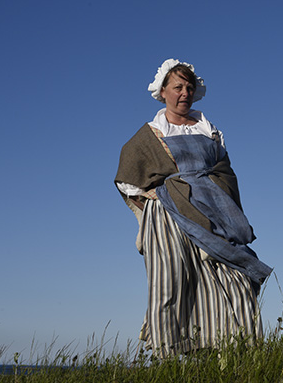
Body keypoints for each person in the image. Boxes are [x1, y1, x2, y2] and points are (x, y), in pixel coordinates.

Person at [115, 58, 272, 358]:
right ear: (163, 91)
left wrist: (222, 207)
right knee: (171, 284)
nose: (184, 93)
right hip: (168, 216)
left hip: (211, 212)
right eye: (177, 87)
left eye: (189, 87)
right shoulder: (151, 133)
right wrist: (153, 204)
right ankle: (170, 357)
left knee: (234, 280)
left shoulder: (208, 128)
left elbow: (225, 173)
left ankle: (237, 353)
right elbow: (128, 179)